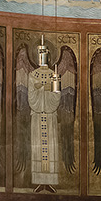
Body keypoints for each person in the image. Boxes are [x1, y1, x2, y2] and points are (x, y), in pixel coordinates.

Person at [27, 60, 62, 192]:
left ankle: (49, 182)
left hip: (50, 115)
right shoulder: (32, 75)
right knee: (38, 148)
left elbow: (57, 95)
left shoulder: (54, 74)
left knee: (50, 148)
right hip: (37, 115)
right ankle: (40, 182)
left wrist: (49, 88)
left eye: (45, 53)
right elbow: (31, 95)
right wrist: (40, 87)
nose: (42, 56)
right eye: (40, 53)